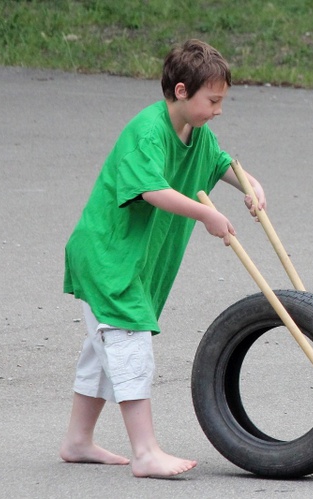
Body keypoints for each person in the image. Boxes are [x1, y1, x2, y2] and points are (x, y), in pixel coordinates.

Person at [59, 39, 266, 478]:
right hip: (107, 255)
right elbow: (151, 190)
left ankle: (78, 440)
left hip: (134, 260)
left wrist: (249, 185)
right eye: (213, 101)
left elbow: (220, 163)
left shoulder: (198, 134)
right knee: (130, 338)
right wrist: (206, 213)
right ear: (180, 91)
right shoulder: (147, 131)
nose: (218, 110)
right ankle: (145, 451)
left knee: (103, 347)